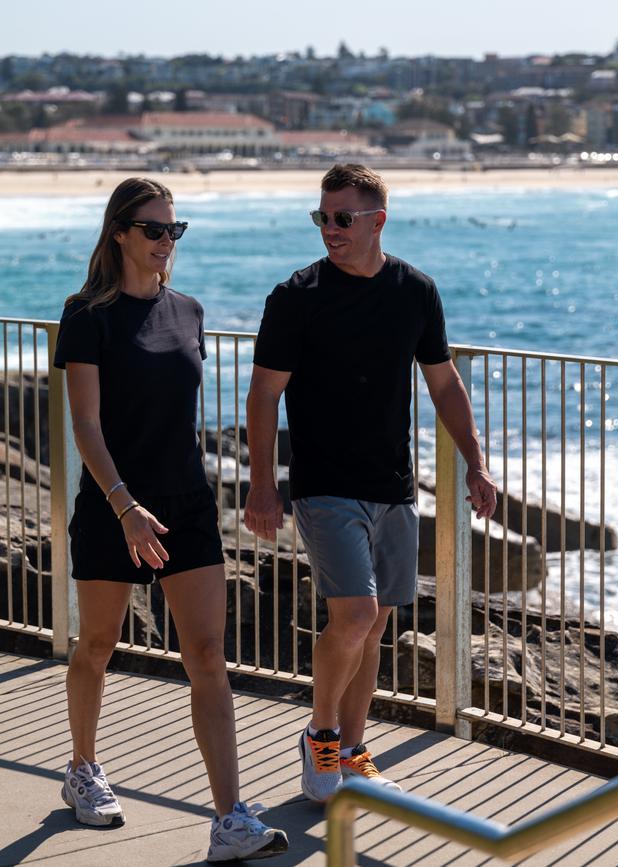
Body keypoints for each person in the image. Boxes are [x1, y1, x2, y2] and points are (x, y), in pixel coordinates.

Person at [244, 163, 497, 803]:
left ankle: (355, 749)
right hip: (324, 484)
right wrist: (262, 484)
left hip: (393, 485)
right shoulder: (295, 296)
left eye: (342, 218)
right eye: (321, 217)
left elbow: (444, 381)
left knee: (376, 621)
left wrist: (475, 459)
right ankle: (320, 736)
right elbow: (263, 396)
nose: (329, 229)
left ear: (377, 220)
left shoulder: (415, 290)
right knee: (353, 614)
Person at [54, 177, 288, 862]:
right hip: (113, 507)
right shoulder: (85, 315)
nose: (165, 242)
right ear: (120, 232)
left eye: (174, 231)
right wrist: (125, 505)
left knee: (208, 657)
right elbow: (86, 425)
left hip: (186, 504)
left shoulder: (188, 310)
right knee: (97, 646)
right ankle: (83, 767)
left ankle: (228, 818)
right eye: (153, 229)